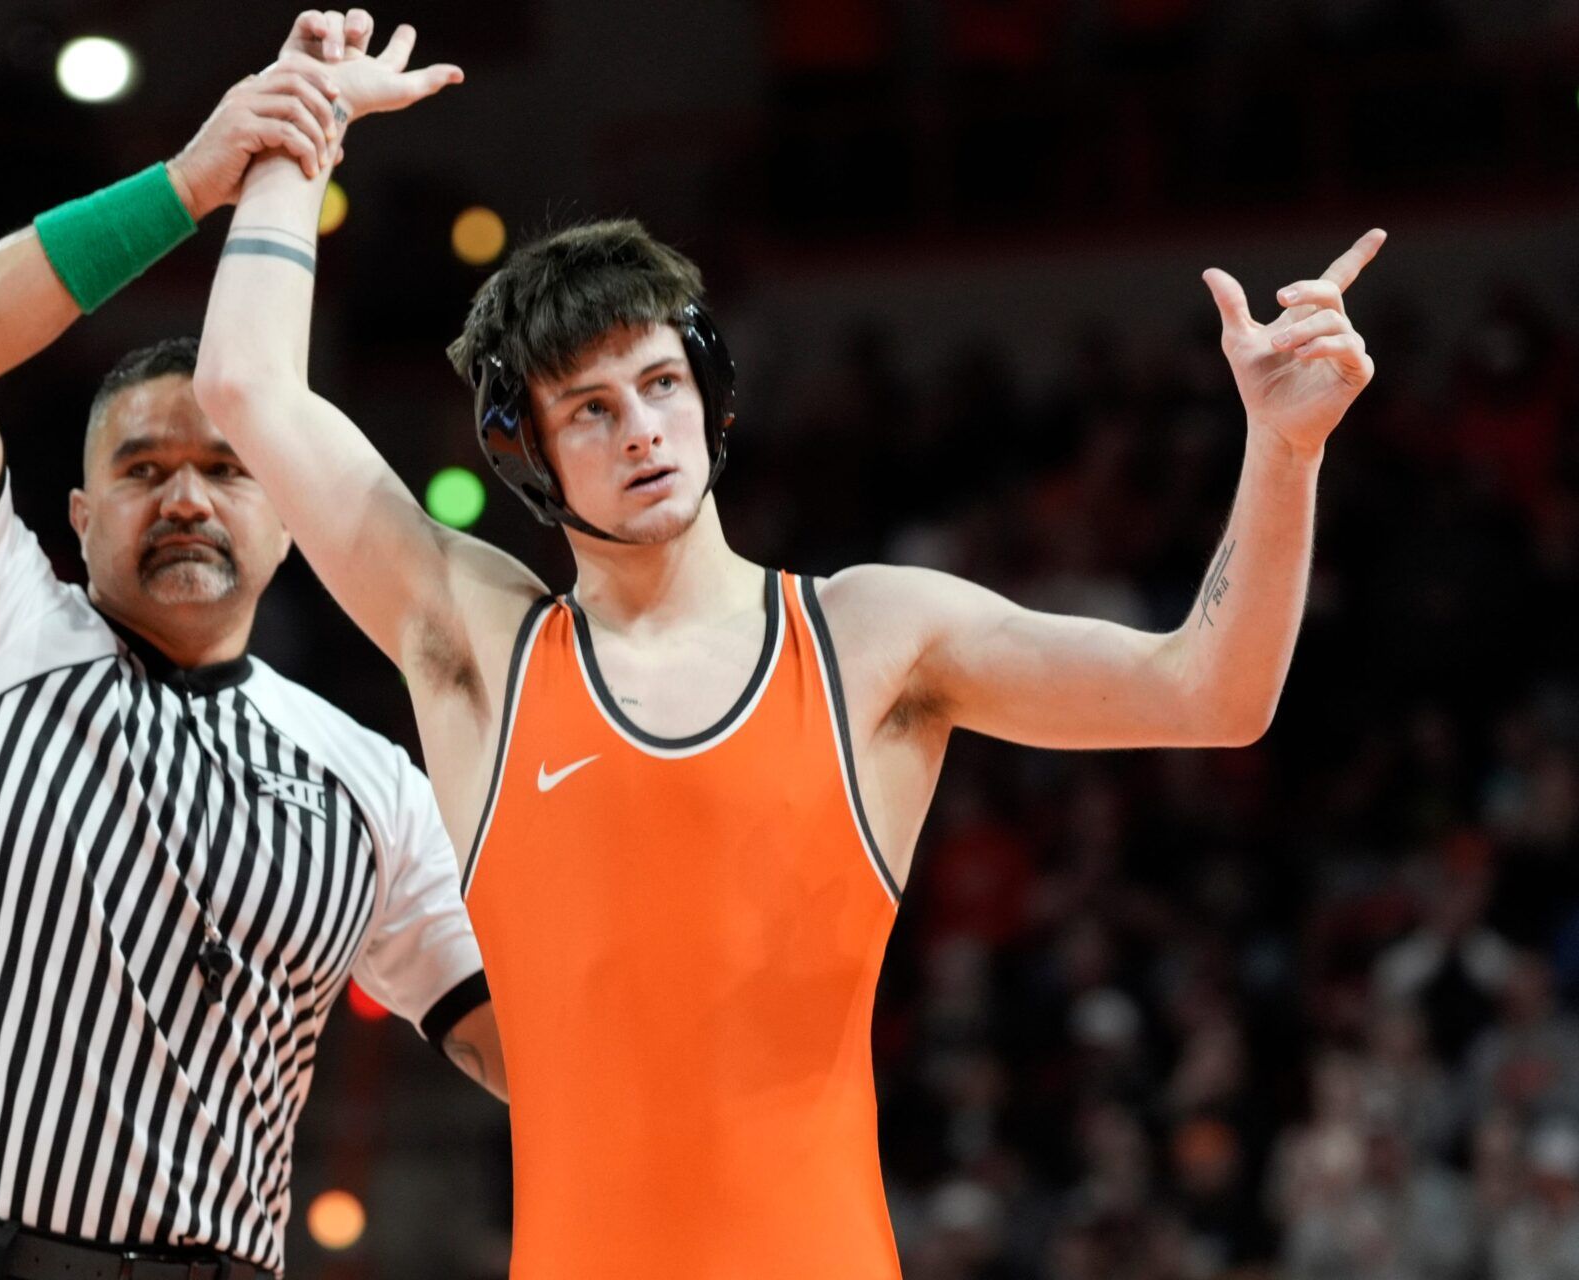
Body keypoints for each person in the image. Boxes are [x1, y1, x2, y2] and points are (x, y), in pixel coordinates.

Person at [194, 12, 1383, 1274]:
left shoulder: (876, 638)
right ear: (527, 458)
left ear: (709, 389)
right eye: (588, 411)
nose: (641, 429)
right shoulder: (480, 643)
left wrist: (1286, 451)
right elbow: (246, 391)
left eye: (659, 383)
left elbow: (1212, 691)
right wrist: (299, 132)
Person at [0, 23, 490, 1279]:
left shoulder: (371, 781)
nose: (187, 498)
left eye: (226, 468)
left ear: (289, 519)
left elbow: (508, 1040)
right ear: (79, 518)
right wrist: (199, 179)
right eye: (143, 470)